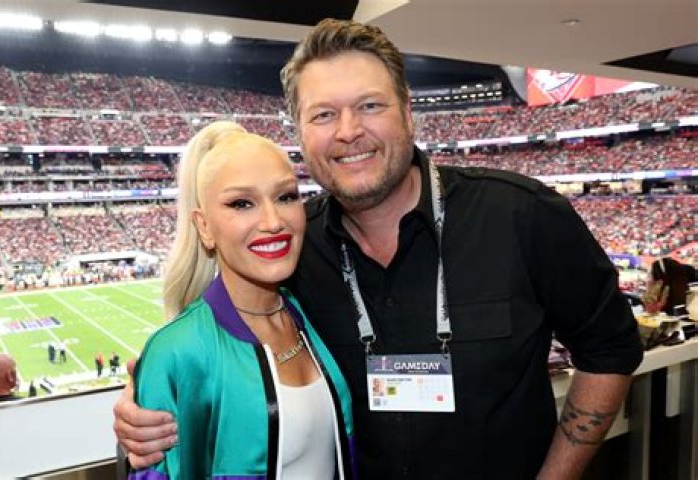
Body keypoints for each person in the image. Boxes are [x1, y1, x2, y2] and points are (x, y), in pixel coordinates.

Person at [114, 19, 644, 478]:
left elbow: (610, 349)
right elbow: (217, 341)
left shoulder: (520, 215)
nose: (348, 132)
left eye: (369, 106)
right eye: (323, 115)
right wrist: (144, 403)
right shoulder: (294, 246)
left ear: (408, 112)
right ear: (300, 131)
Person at [127, 122, 354, 479]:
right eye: (242, 203)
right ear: (204, 226)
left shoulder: (307, 310)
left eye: (286, 197)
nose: (272, 221)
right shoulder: (178, 349)